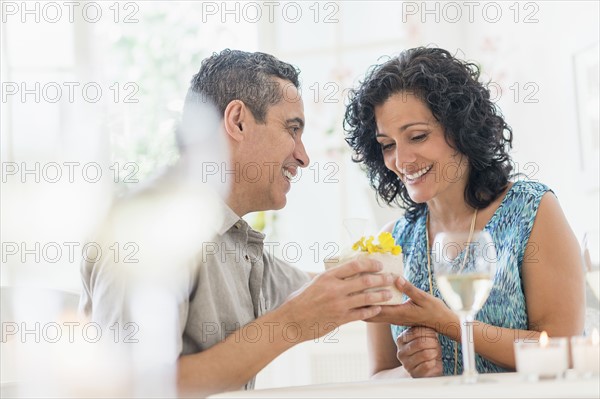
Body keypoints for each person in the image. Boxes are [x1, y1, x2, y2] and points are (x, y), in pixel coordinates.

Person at [80, 49, 395, 396]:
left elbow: (320, 292)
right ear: (238, 121)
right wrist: (291, 324)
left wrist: (416, 296)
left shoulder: (232, 241)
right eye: (292, 129)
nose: (303, 157)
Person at [343, 47, 585, 378]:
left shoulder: (532, 211)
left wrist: (447, 324)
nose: (402, 160)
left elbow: (564, 350)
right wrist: (411, 370)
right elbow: (381, 373)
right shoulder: (392, 242)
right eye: (387, 145)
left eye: (417, 136)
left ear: (461, 129)